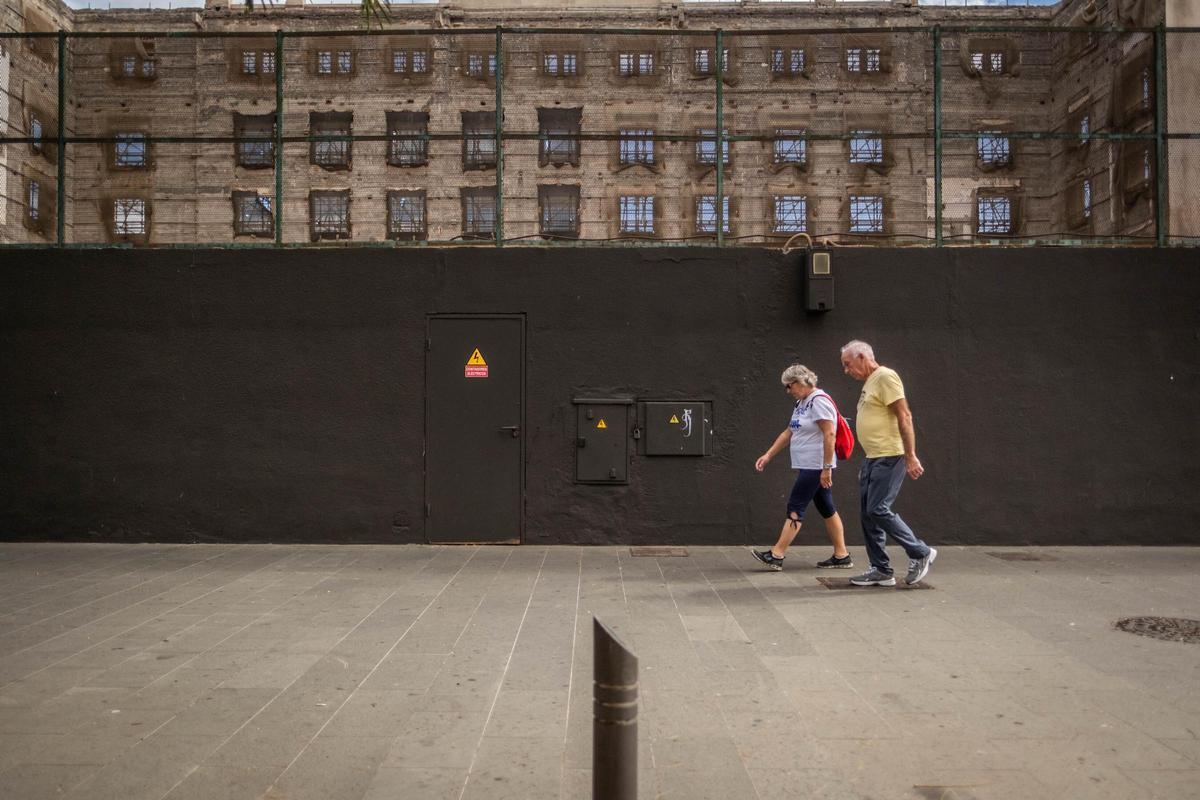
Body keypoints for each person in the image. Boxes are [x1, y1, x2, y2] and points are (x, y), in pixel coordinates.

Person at [839, 340, 936, 586]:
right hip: (873, 457)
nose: (846, 371)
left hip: (890, 455)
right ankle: (881, 569)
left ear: (862, 356)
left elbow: (904, 415)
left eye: (848, 364)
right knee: (867, 514)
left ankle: (920, 552)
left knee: (877, 509)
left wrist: (910, 455)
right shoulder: (871, 383)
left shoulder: (885, 377)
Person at [750, 364, 853, 571]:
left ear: (801, 382)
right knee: (826, 507)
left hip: (815, 466)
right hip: (809, 464)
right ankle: (842, 555)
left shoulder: (819, 401)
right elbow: (789, 432)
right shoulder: (802, 403)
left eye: (789, 386)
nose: (788, 391)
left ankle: (777, 554)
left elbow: (829, 434)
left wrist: (826, 468)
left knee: (796, 506)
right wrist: (768, 455)